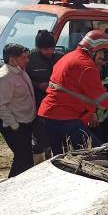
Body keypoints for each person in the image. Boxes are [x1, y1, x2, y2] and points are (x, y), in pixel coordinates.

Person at [39, 30, 108, 154]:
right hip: (65, 118)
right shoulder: (87, 66)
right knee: (97, 154)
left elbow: (75, 91)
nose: (104, 61)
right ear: (93, 50)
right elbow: (103, 99)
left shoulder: (68, 57)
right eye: (103, 53)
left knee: (61, 158)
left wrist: (89, 112)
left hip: (50, 115)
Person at [0, 44, 36, 177]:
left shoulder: (19, 70)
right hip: (16, 126)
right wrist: (15, 125)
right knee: (23, 161)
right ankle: (11, 187)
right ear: (12, 59)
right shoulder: (4, 77)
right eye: (23, 57)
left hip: (25, 122)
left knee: (25, 160)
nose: (27, 60)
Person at [27, 29, 64, 163]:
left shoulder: (60, 57)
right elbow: (24, 80)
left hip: (58, 104)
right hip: (38, 104)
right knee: (39, 137)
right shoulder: (30, 59)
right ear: (38, 48)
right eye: (45, 49)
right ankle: (39, 164)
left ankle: (53, 161)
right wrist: (38, 85)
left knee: (56, 136)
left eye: (51, 48)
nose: (49, 52)